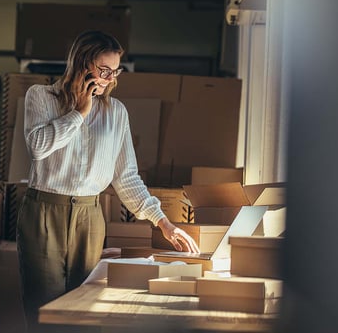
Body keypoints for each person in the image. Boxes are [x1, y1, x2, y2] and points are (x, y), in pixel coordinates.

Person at [16, 30, 200, 333]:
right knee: (43, 308)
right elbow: (38, 147)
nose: (109, 78)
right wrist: (79, 113)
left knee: (86, 307)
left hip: (90, 216)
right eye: (104, 70)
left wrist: (163, 222)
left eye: (115, 71)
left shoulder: (116, 113)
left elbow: (126, 176)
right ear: (81, 63)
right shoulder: (42, 96)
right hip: (44, 211)